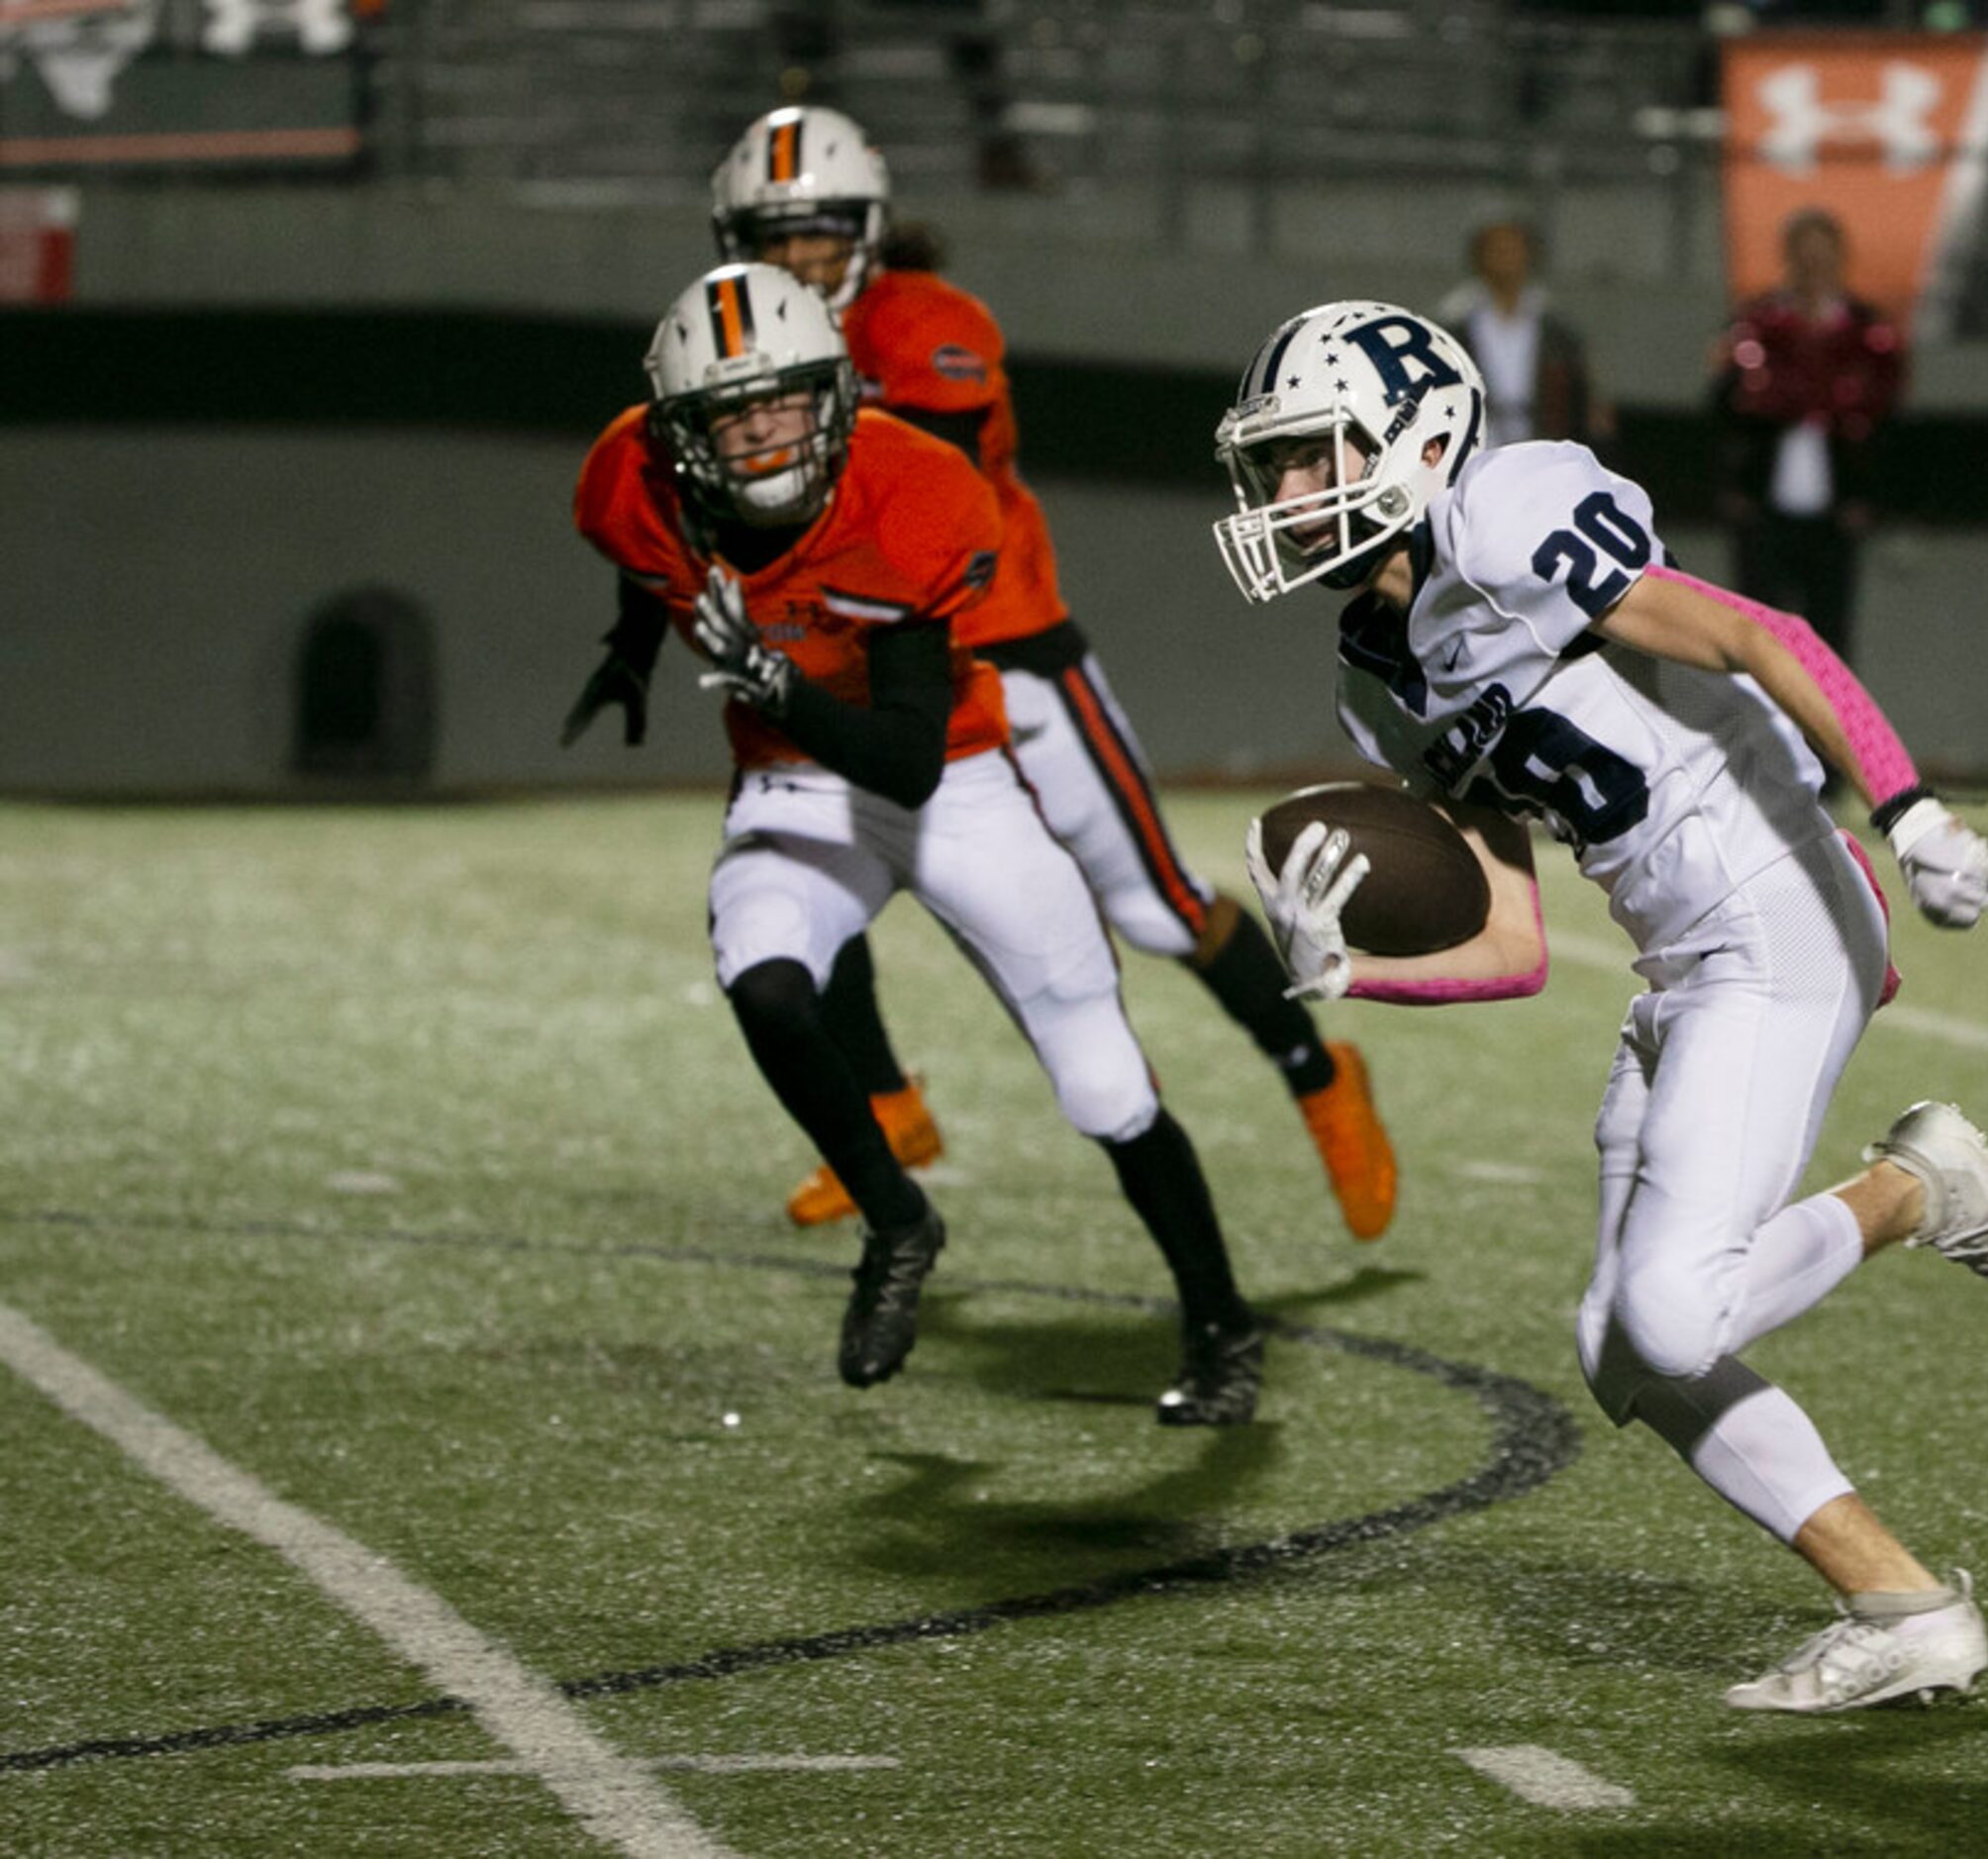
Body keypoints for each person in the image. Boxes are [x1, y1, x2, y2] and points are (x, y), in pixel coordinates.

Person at [1216, 301, 1988, 1712]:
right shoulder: (1377, 674)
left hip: (1780, 909)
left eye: (1314, 458)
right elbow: (1511, 940)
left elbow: (1759, 630)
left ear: (1423, 438)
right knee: (1621, 1347)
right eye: (1276, 468)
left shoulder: (1512, 517)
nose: (1288, 497)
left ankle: (1920, 1188)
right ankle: (1905, 1604)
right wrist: (1345, 970)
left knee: (1673, 1314)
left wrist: (1907, 801)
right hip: (1683, 963)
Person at [681, 104, 1397, 1242]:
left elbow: (916, 496)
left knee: (1155, 909)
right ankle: (890, 1108)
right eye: (773, 234)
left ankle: (1318, 1077)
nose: (797, 256)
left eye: (818, 230)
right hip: (868, 669)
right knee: (803, 870)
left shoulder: (927, 323)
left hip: (1007, 658)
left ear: (867, 228)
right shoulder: (742, 349)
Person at [572, 261, 1262, 1423]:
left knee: (1101, 1082)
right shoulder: (625, 481)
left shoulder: (915, 492)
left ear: (837, 397)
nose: (760, 435)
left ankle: (1221, 1329)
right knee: (765, 976)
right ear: (680, 435)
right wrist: (632, 646)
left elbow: (905, 760)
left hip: (952, 779)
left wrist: (768, 680)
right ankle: (897, 1221)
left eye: (783, 400)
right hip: (792, 785)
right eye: (731, 416)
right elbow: (653, 560)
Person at [1710, 207, 1904, 671]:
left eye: (1824, 253)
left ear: (1841, 257)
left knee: (1831, 641)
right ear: (1789, 257)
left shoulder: (1869, 331)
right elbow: (1724, 409)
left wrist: (1866, 495)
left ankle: (1825, 742)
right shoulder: (1754, 325)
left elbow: (1884, 420)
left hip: (1836, 512)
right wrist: (1735, 488)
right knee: (1757, 635)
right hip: (1763, 507)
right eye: (1805, 253)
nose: (1815, 264)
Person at [1437, 218, 1612, 450]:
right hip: (1479, 439)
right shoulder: (1456, 323)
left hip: (1541, 438)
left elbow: (1578, 391)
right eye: (1496, 250)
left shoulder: (1556, 329)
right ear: (1479, 257)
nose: (1505, 259)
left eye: (1512, 250)